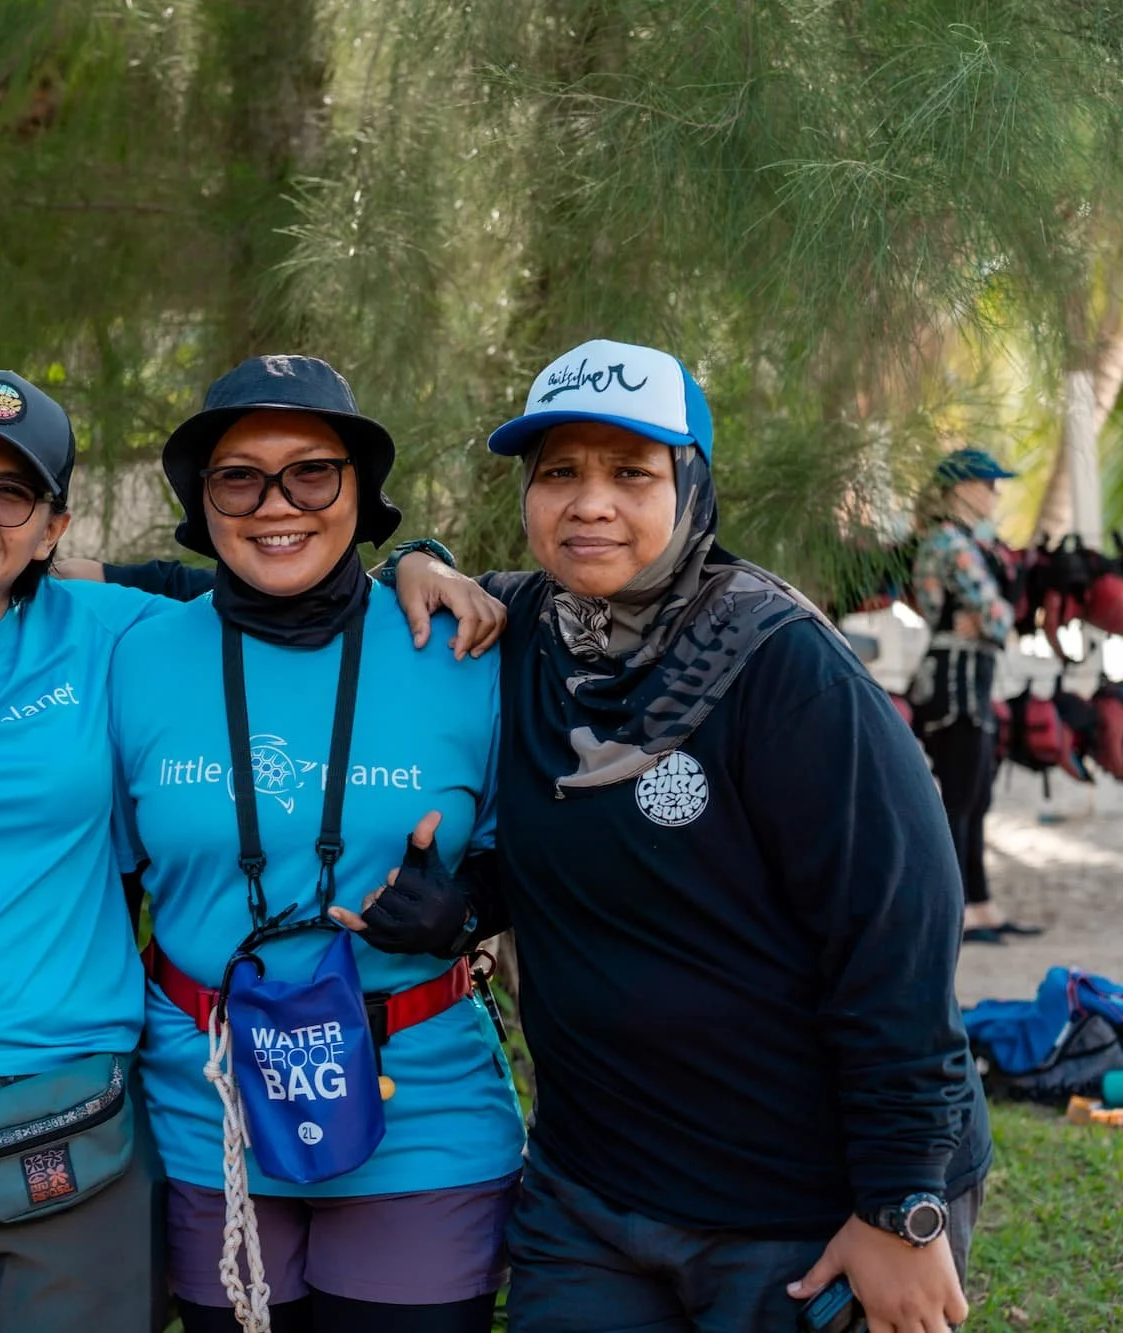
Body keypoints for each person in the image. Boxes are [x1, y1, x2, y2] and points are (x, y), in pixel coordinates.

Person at [0, 368, 507, 1332]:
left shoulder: (453, 645)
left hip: (361, 1103)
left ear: (53, 525)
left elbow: (302, 590)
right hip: (168, 1104)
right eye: (238, 479)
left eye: (11, 491)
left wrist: (420, 558)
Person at [433, 340, 991, 1333]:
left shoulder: (780, 666)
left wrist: (899, 1205)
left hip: (801, 1208)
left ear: (691, 485)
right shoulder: (521, 630)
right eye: (558, 471)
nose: (589, 501)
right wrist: (414, 566)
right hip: (591, 1199)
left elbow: (896, 940)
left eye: (630, 473)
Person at [107, 356, 526, 1333]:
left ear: (359, 491)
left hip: (421, 1112)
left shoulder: (463, 648)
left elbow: (538, 860)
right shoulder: (134, 655)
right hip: (204, 1111)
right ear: (199, 501)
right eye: (237, 476)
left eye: (311, 471)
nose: (275, 503)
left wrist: (465, 910)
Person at [907, 448, 1037, 944]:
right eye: (988, 482)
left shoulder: (966, 542)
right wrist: (988, 619)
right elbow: (1001, 617)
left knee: (976, 795)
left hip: (968, 678)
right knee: (961, 797)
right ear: (962, 488)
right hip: (955, 682)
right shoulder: (949, 541)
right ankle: (958, 911)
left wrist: (987, 619)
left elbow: (996, 618)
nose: (995, 492)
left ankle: (981, 906)